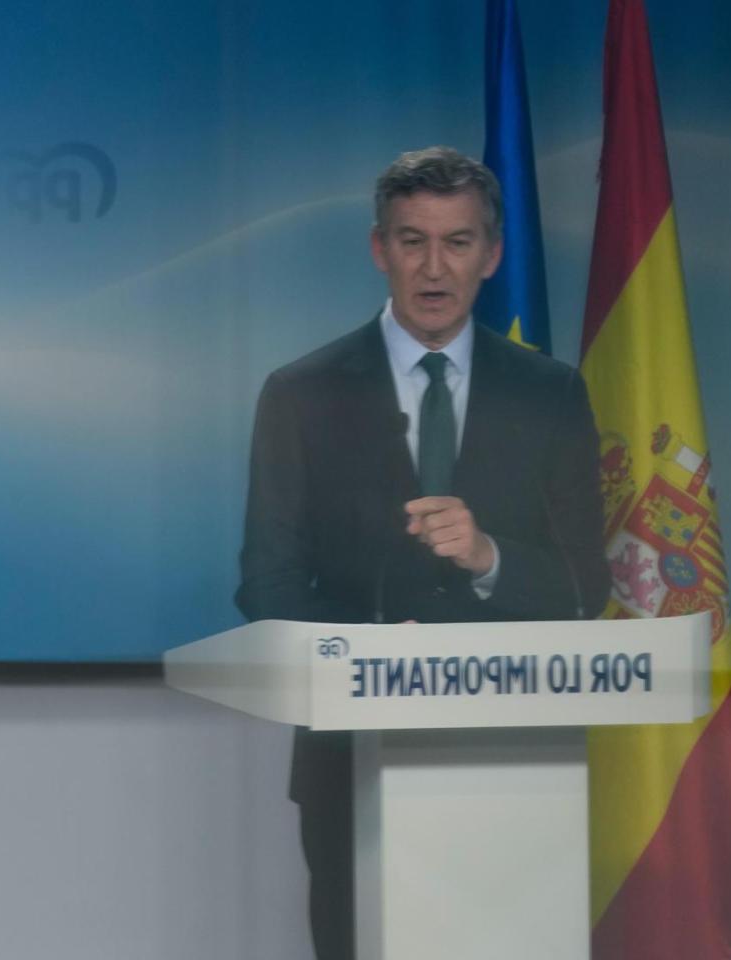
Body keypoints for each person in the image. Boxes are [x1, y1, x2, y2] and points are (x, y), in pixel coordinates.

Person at [234, 146, 609, 960]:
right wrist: (368, 649)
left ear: (493, 254)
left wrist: (489, 558)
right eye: (412, 241)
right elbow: (264, 583)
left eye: (459, 242)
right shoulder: (303, 393)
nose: (435, 268)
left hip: (513, 754)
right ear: (380, 249)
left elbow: (590, 584)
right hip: (351, 756)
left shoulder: (550, 394)